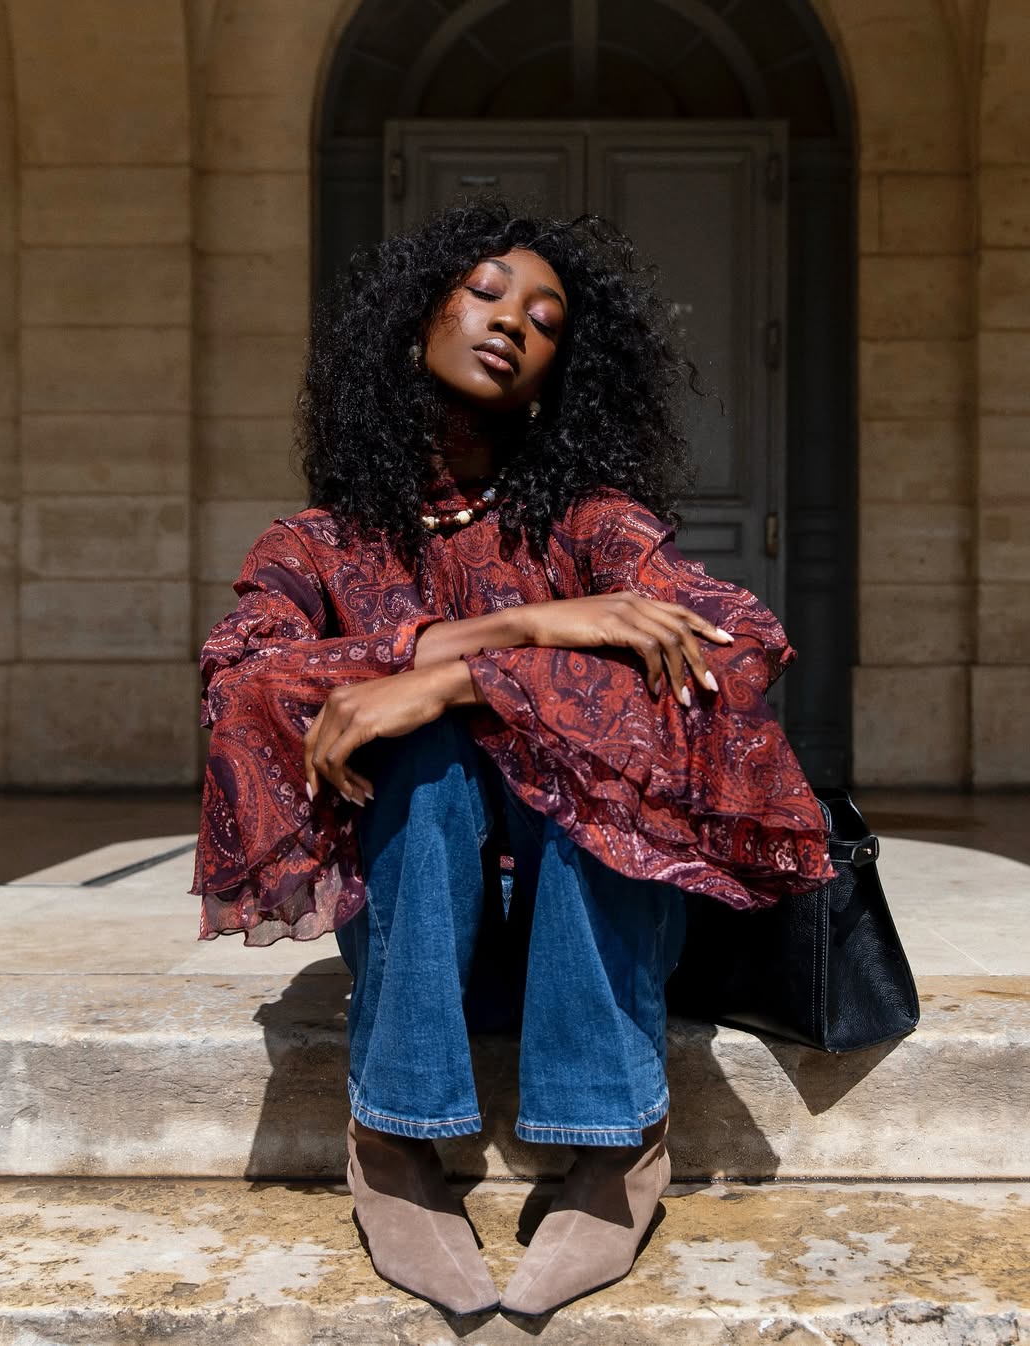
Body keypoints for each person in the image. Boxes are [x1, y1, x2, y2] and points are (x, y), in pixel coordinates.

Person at [192, 199, 834, 1318]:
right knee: (428, 752)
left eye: (544, 321)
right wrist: (510, 635)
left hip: (593, 930)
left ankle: (612, 1143)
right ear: (414, 323)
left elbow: (735, 646)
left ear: (555, 380)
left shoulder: (593, 523)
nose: (513, 325)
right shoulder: (316, 544)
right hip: (418, 936)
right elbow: (245, 686)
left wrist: (451, 676)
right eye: (487, 293)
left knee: (595, 709)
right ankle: (395, 1137)